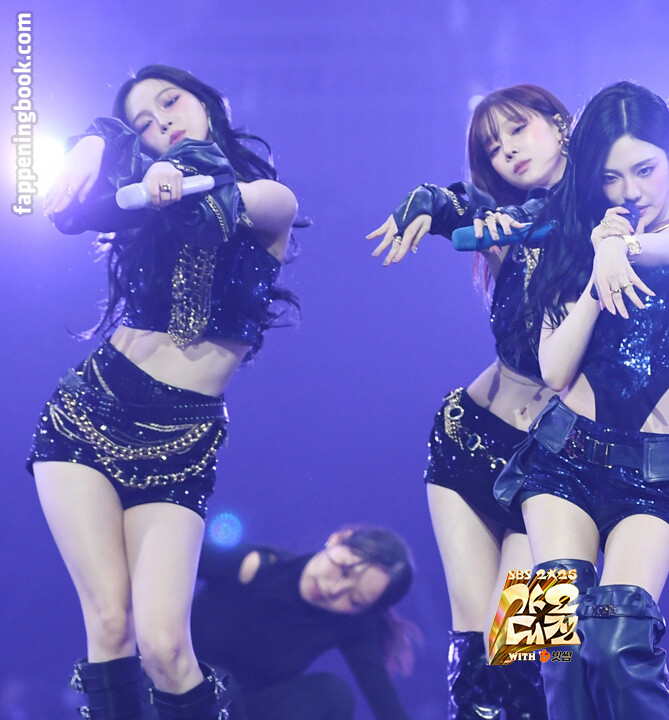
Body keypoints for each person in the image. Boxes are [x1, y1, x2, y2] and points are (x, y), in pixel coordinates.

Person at [31, 64, 299, 720]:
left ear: (207, 102)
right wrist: (97, 140)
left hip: (183, 436)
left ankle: (531, 682)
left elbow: (222, 207)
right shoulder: (143, 209)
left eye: (171, 102)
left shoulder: (269, 197)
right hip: (89, 414)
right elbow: (70, 209)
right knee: (111, 625)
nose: (162, 122)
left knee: (165, 647)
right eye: (143, 123)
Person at [493, 80, 669, 720]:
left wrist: (618, 246)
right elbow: (554, 370)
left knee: (617, 643)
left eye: (645, 170)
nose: (630, 191)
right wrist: (594, 263)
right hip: (557, 459)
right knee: (552, 653)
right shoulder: (574, 240)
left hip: (652, 473)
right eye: (610, 178)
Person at [366, 85, 571, 719]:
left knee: (524, 649)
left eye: (518, 129)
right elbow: (460, 203)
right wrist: (429, 203)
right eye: (492, 145)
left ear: (560, 123)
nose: (507, 150)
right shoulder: (502, 220)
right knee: (475, 656)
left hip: (560, 466)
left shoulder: (609, 215)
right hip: (469, 439)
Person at [190, 525, 415, 720]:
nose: (333, 590)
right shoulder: (256, 566)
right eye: (344, 571)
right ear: (337, 539)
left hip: (243, 711)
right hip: (180, 687)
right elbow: (173, 556)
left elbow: (388, 708)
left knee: (333, 694)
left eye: (354, 600)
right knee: (220, 684)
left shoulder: (350, 624)